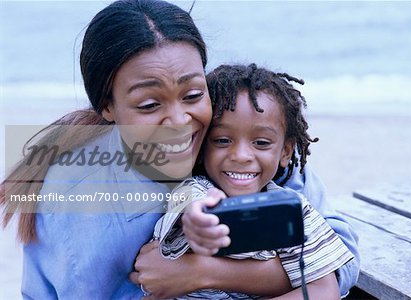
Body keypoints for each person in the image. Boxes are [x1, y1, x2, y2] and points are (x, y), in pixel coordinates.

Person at [0, 0, 359, 299]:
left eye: (192, 95)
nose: (178, 120)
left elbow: (341, 261)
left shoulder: (240, 142)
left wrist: (204, 272)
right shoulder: (83, 201)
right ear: (107, 107)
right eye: (149, 105)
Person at [150, 63, 354, 299]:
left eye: (261, 143)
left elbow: (323, 290)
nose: (241, 155)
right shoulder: (195, 190)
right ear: (203, 144)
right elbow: (192, 205)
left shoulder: (293, 212)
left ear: (286, 152)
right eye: (223, 140)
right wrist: (198, 217)